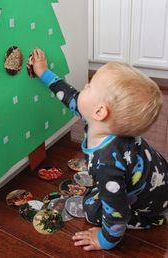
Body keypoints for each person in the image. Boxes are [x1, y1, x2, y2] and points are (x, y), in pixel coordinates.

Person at [31, 48, 168, 251]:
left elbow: (117, 213)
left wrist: (103, 241)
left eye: (89, 86)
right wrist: (43, 71)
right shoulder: (102, 122)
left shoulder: (107, 165)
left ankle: (151, 220)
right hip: (157, 180)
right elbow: (69, 96)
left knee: (92, 210)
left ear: (99, 111)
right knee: (107, 191)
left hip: (151, 205)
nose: (84, 86)